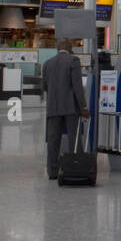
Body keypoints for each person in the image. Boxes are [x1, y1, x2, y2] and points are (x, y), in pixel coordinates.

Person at [42, 38, 89, 180]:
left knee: (53, 140)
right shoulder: (73, 61)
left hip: (53, 107)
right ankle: (76, 168)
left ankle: (52, 172)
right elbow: (77, 87)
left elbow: (44, 86)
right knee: (74, 139)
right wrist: (83, 106)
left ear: (58, 48)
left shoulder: (47, 63)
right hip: (70, 107)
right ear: (69, 48)